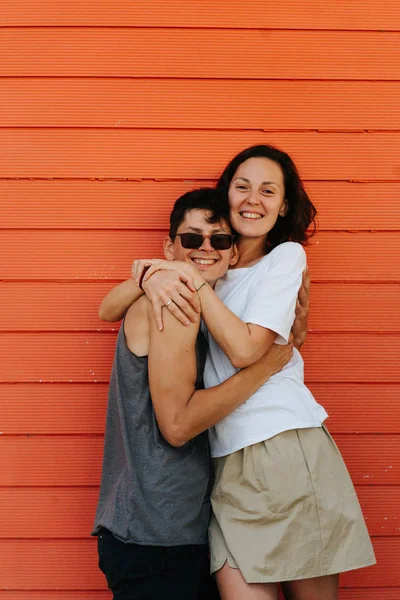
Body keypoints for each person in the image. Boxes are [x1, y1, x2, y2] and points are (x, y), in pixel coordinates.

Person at [116, 145, 376, 600]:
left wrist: (188, 277)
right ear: (227, 195)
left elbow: (243, 350)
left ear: (284, 206)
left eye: (268, 191)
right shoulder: (208, 267)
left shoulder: (285, 258)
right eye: (242, 187)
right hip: (223, 460)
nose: (254, 199)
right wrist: (155, 276)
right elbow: (105, 309)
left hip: (283, 446)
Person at [92, 187, 300, 600]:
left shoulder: (204, 307)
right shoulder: (173, 303)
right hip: (156, 536)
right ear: (169, 247)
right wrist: (266, 367)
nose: (206, 248)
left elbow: (107, 308)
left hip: (174, 529)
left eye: (220, 240)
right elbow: (178, 425)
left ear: (234, 254)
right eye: (191, 238)